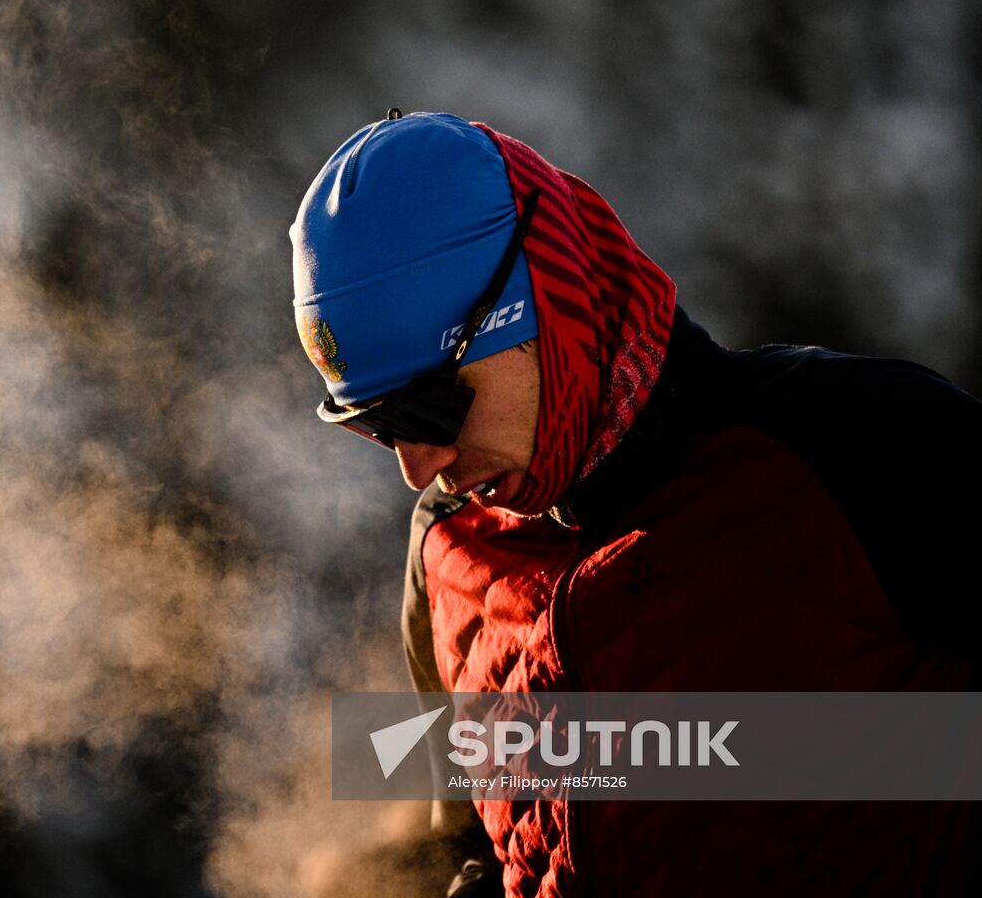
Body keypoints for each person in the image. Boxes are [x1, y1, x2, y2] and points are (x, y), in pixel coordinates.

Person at [290, 109, 981, 896]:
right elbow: (478, 841)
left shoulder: (856, 443)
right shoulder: (448, 549)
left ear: (544, 299)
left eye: (428, 412)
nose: (420, 468)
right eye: (377, 428)